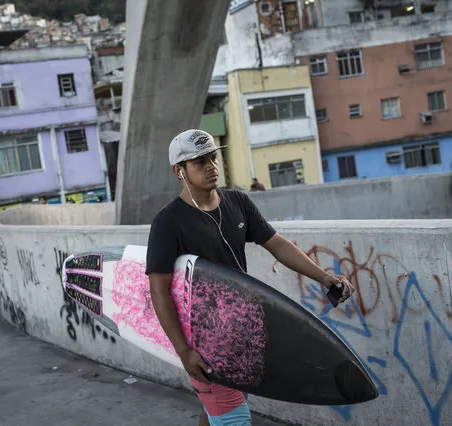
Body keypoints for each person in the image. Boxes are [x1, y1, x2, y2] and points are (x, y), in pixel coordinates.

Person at [145, 129, 355, 426]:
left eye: (213, 158)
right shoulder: (169, 222)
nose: (211, 167)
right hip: (206, 342)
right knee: (233, 418)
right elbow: (159, 290)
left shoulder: (237, 202)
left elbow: (277, 244)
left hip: (241, 333)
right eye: (200, 162)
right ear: (179, 171)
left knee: (218, 410)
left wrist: (324, 277)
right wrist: (184, 351)